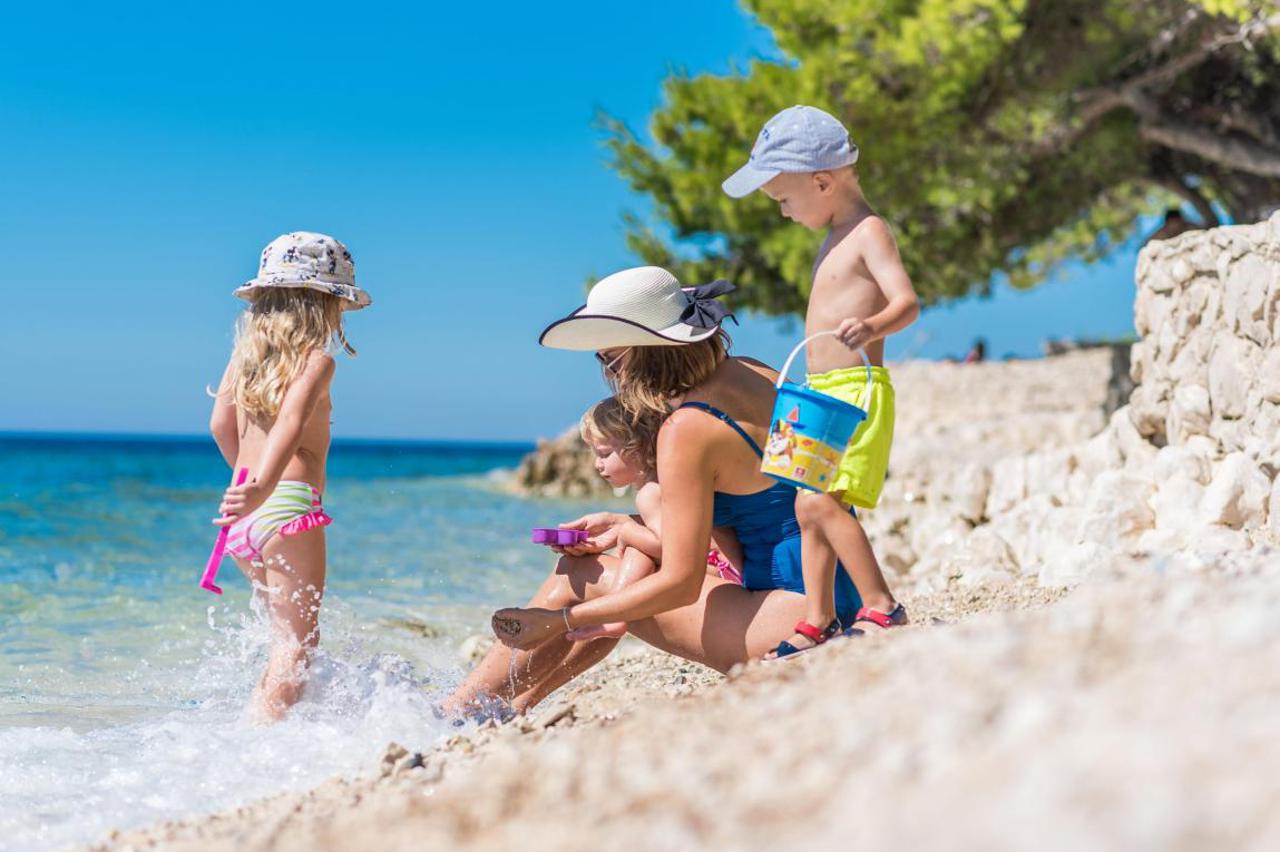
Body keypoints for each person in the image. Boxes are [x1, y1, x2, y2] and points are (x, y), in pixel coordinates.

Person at [442, 266, 864, 718]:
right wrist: (625, 525)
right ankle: (511, 708)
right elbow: (769, 507)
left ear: (643, 355)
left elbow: (680, 584)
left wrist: (559, 620)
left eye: (610, 359)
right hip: (841, 598)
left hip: (790, 623)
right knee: (621, 575)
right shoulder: (755, 373)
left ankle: (454, 714)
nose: (610, 373)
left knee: (577, 576)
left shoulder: (688, 428)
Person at [721, 105, 919, 656]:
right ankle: (819, 616)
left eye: (783, 199)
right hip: (817, 390)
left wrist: (874, 326)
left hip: (854, 388)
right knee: (804, 506)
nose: (783, 212)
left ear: (823, 182)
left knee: (824, 503)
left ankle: (881, 604)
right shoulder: (833, 237)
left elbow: (906, 302)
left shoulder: (869, 232)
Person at [208, 231, 371, 720]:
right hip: (286, 506)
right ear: (325, 304)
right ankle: (266, 733)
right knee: (298, 643)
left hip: (242, 518)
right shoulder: (316, 362)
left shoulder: (242, 361)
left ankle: (254, 725)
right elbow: (291, 423)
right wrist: (266, 486)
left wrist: (249, 485)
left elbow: (219, 426)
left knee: (281, 638)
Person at [570, 397, 744, 641]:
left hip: (723, 575)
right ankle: (613, 615)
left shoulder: (650, 493)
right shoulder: (676, 478)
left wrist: (626, 531)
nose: (597, 464)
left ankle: (613, 615)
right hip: (736, 572)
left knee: (637, 546)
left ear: (637, 449)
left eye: (604, 454)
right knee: (639, 539)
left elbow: (669, 549)